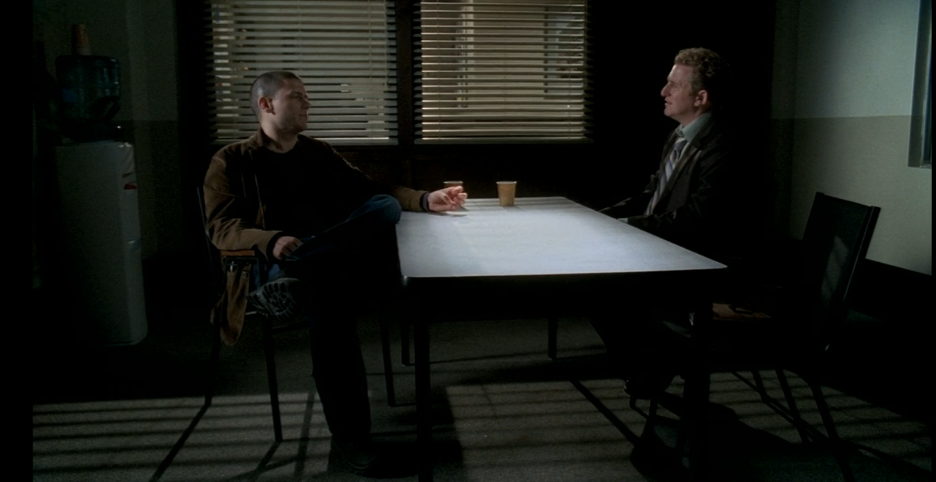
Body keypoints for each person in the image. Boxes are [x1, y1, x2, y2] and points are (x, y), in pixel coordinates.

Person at [203, 71, 467, 477]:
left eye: (306, 96)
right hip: (268, 269)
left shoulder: (318, 153)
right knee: (331, 303)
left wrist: (425, 199)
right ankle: (353, 439)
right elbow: (220, 227)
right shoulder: (232, 160)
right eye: (297, 96)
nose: (307, 103)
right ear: (266, 104)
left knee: (381, 208)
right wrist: (270, 240)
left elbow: (372, 191)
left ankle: (300, 269)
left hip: (315, 264)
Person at [593, 48, 744, 398]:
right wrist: (603, 218)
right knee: (593, 284)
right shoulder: (678, 135)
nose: (664, 92)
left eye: (674, 85)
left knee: (602, 289)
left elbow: (699, 218)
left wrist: (627, 227)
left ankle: (662, 361)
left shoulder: (724, 143)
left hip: (696, 262)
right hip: (663, 249)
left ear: (700, 98)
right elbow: (651, 194)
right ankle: (652, 363)